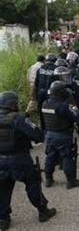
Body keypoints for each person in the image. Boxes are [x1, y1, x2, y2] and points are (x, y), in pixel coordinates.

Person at [0, 91, 56, 229]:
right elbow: (37, 134)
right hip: (20, 159)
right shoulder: (18, 118)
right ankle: (43, 211)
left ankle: (3, 219)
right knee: (33, 184)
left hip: (1, 161)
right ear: (12, 105)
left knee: (2, 190)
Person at [42, 81, 79, 189]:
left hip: (49, 135)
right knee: (67, 157)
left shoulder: (45, 103)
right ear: (61, 92)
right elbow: (76, 117)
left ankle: (48, 179)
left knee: (50, 157)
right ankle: (71, 181)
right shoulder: (63, 106)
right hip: (63, 135)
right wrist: (74, 107)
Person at [34, 54, 57, 130]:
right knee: (52, 110)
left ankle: (43, 127)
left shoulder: (40, 69)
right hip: (51, 93)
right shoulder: (56, 69)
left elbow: (36, 82)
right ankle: (52, 126)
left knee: (41, 110)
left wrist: (36, 94)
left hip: (40, 93)